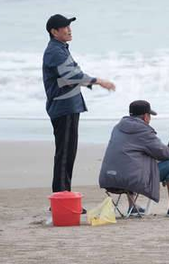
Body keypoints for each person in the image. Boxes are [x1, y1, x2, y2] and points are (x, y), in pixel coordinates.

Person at [43, 14, 115, 194]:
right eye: (65, 27)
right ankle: (61, 197)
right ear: (54, 32)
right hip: (63, 107)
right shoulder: (55, 51)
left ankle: (63, 196)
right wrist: (98, 81)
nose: (69, 30)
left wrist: (85, 81)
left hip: (69, 107)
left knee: (68, 154)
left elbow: (68, 78)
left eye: (69, 26)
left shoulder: (61, 48)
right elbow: (71, 76)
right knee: (65, 155)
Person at [99, 100, 169, 217]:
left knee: (129, 162)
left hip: (109, 179)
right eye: (149, 116)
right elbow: (162, 151)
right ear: (145, 116)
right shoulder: (143, 131)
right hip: (129, 180)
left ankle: (132, 206)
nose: (150, 119)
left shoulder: (118, 127)